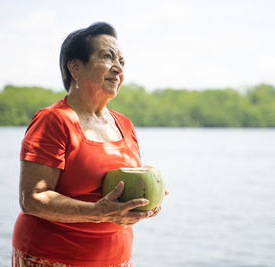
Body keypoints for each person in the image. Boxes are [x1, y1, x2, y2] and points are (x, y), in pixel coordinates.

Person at [12, 22, 164, 267]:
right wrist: (98, 212)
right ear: (75, 67)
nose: (118, 69)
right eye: (107, 57)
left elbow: (121, 193)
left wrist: (147, 200)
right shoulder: (53, 120)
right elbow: (32, 198)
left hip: (116, 259)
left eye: (122, 62)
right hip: (51, 257)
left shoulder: (124, 124)